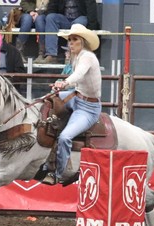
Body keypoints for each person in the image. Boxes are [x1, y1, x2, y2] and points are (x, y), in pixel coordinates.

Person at [41, 24, 101, 185]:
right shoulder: (77, 57)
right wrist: (61, 85)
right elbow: (77, 78)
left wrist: (64, 83)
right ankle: (46, 156)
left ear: (82, 42)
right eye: (69, 40)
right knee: (48, 99)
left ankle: (59, 174)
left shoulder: (87, 57)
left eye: (74, 40)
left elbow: (79, 74)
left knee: (66, 137)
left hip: (88, 108)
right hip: (76, 97)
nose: (71, 43)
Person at [34, 0, 99, 64]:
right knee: (51, 17)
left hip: (81, 17)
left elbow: (91, 9)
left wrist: (92, 27)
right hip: (65, 19)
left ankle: (70, 54)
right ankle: (51, 55)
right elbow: (52, 6)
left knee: (77, 24)